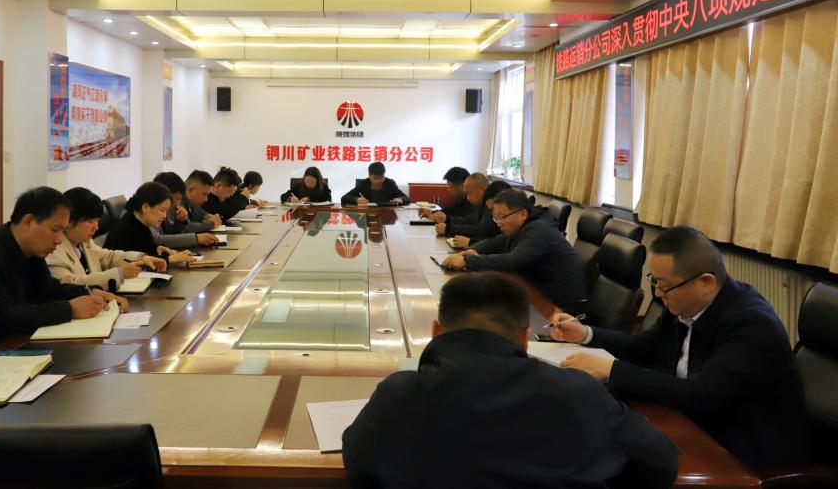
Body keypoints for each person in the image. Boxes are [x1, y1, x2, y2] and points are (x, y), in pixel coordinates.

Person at [342, 272, 678, 489]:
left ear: (435, 331)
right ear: (525, 338)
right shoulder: (582, 393)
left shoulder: (398, 395)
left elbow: (360, 471)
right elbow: (661, 464)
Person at [551, 225, 806, 472]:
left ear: (706, 282)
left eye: (664, 285)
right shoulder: (685, 302)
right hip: (687, 421)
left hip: (739, 450)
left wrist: (612, 370)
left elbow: (701, 394)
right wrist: (586, 334)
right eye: (655, 282)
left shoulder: (752, 325)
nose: (658, 294)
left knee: (610, 461)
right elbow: (643, 346)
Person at [0, 187, 124, 341]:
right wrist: (69, 309)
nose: (59, 240)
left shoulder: (32, 248)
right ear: (28, 222)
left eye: (62, 231)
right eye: (55, 230)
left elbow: (48, 289)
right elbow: (1, 316)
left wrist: (88, 292)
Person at [442, 189, 587, 311]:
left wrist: (468, 261)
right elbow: (498, 241)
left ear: (523, 214)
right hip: (538, 290)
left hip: (560, 306)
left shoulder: (539, 229)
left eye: (502, 217)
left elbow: (513, 260)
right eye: (495, 218)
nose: (498, 223)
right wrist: (474, 250)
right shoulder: (525, 225)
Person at [46, 187, 168, 292]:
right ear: (69, 220)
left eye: (97, 221)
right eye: (90, 221)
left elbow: (108, 256)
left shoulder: (84, 242)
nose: (96, 227)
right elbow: (71, 284)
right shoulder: (53, 251)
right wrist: (119, 274)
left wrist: (141, 258)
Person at [104, 182, 198, 264]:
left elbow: (146, 251)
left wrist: (159, 249)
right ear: (145, 207)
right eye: (162, 210)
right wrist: (169, 259)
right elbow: (135, 261)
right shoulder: (123, 229)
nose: (164, 216)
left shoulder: (141, 224)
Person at [153, 172, 220, 248]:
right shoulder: (149, 211)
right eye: (177, 199)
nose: (178, 204)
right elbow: (157, 240)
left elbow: (170, 233)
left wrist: (182, 222)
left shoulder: (168, 209)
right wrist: (197, 238)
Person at [439, 178, 510, 247]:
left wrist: (470, 242)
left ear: (483, 191)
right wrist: (447, 219)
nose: (468, 198)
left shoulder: (491, 203)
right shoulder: (483, 204)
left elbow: (482, 231)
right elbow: (471, 220)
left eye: (469, 193)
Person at [340, 162, 409, 206]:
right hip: (367, 214)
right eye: (376, 178)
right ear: (369, 176)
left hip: (386, 215)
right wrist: (357, 199)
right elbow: (344, 198)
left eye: (382, 177)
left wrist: (400, 199)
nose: (379, 181)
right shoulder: (363, 184)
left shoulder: (390, 183)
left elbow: (406, 198)